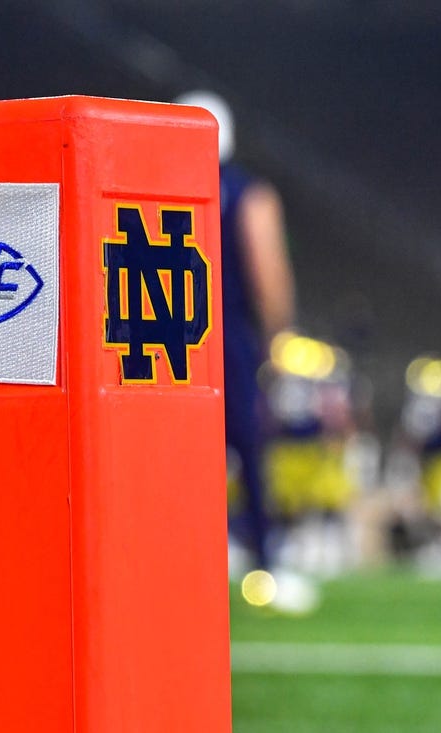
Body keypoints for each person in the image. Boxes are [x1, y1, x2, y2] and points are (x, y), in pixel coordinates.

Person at [174, 91, 296, 574]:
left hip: (168, 341)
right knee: (247, 443)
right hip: (227, 337)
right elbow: (267, 271)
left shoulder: (153, 189)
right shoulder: (248, 193)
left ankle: (179, 546)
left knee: (176, 451)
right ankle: (261, 551)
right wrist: (276, 334)